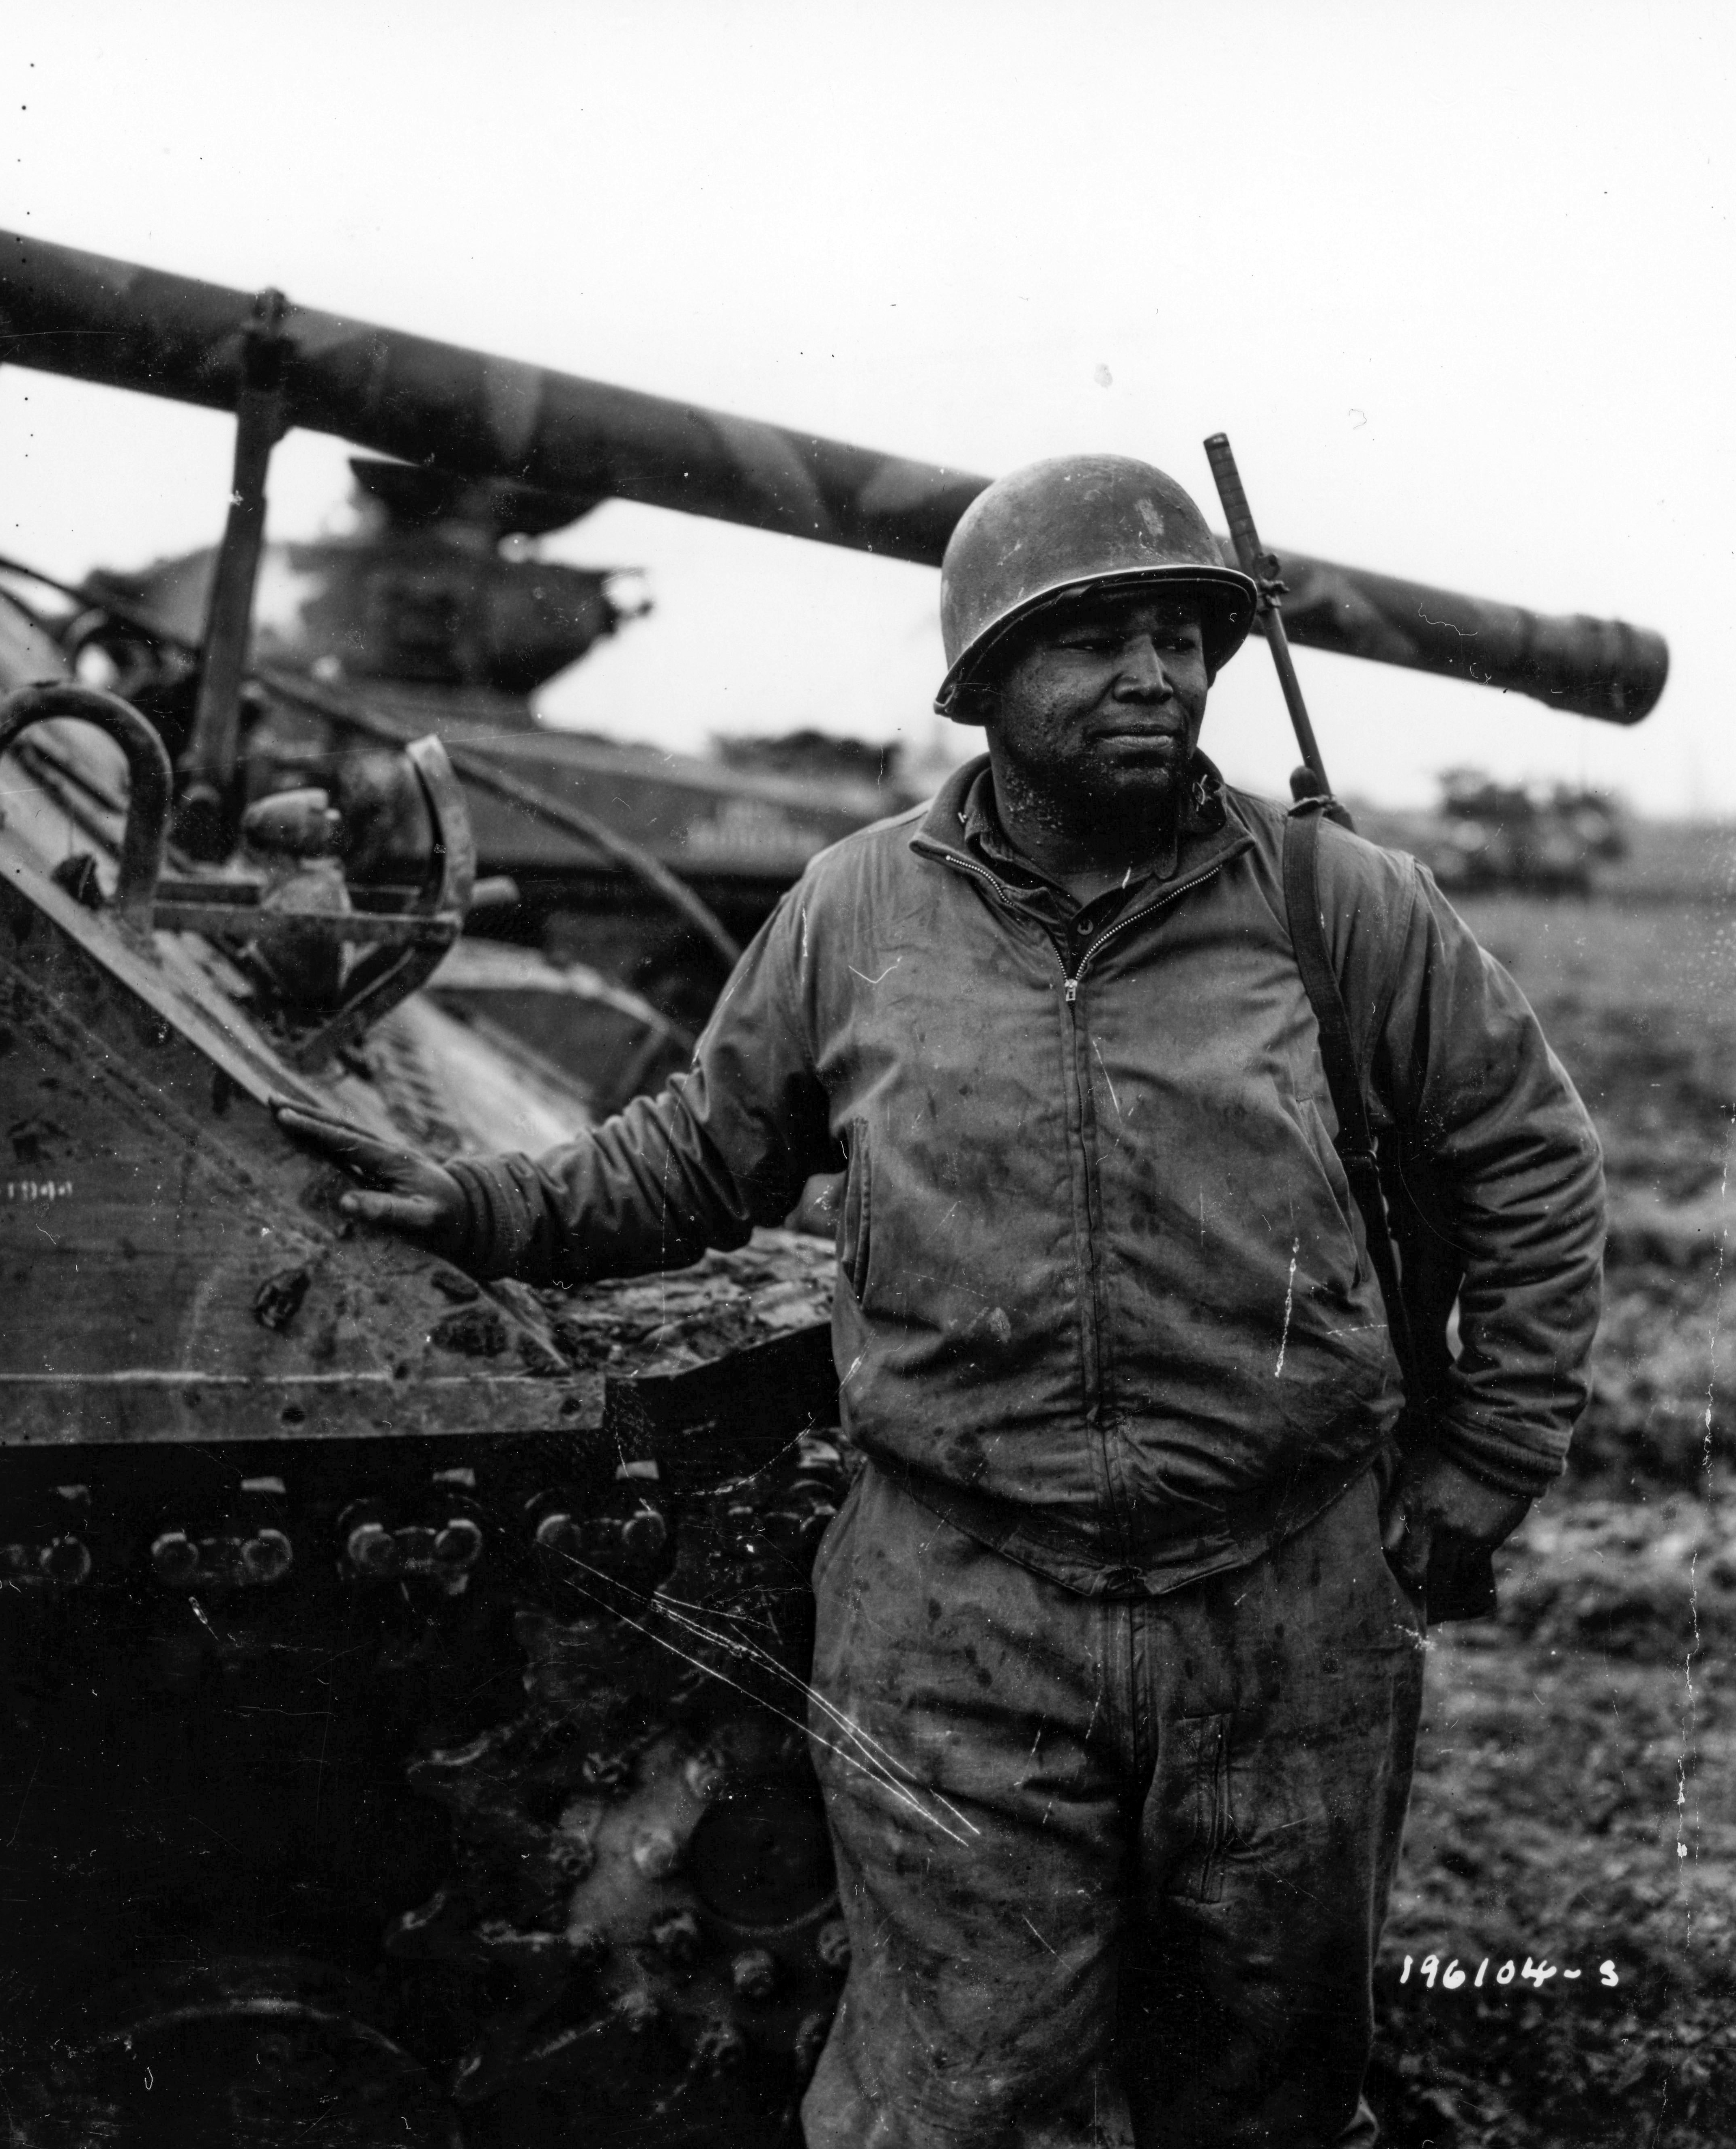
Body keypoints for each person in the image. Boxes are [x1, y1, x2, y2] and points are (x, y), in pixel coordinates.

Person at [278, 454, 1605, 2149]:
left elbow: (1529, 1158)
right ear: (984, 684)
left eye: (1182, 634)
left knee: (1269, 2084)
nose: (1155, 676)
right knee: (943, 2099)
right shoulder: (852, 911)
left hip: (1284, 1608)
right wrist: (485, 1204)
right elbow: (694, 1160)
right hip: (959, 1607)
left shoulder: (1336, 904)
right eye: (1092, 638)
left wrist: (1492, 1449)